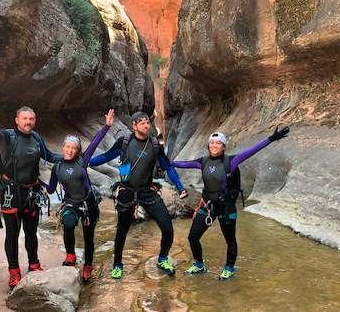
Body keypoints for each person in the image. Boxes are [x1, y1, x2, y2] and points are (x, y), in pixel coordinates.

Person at [170, 126, 289, 280]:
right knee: (193, 237)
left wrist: (271, 139)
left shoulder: (231, 161)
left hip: (226, 207)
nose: (214, 145)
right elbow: (183, 164)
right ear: (208, 146)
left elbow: (251, 151)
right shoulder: (203, 162)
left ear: (223, 146)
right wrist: (162, 160)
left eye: (218, 143)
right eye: (212, 143)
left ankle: (229, 268)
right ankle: (199, 265)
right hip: (208, 207)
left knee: (230, 240)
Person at [89, 111, 188, 279]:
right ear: (134, 126)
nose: (146, 125)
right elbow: (105, 157)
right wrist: (85, 162)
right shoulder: (125, 143)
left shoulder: (155, 146)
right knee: (122, 231)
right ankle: (118, 264)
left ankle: (162, 259)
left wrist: (180, 187)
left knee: (167, 228)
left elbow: (168, 168)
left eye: (148, 123)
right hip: (126, 192)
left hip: (147, 192)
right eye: (141, 123)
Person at [0, 89, 64, 291]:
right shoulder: (6, 138)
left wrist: (74, 156)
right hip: (10, 193)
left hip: (32, 192)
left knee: (31, 232)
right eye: (25, 118)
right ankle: (14, 271)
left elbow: (51, 157)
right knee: (12, 233)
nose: (29, 122)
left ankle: (34, 264)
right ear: (17, 120)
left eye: (32, 118)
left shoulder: (36, 138)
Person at [40, 109, 115, 283]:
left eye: (74, 148)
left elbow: (95, 143)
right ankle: (71, 256)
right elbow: (51, 189)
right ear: (63, 147)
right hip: (70, 204)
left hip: (88, 203)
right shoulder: (57, 167)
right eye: (68, 147)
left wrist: (107, 126)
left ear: (77, 150)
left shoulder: (82, 160)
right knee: (68, 225)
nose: (70, 150)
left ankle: (87, 267)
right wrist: (37, 183)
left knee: (89, 237)